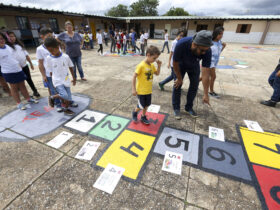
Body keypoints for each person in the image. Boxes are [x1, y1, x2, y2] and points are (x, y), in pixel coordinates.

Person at [172, 30, 213, 119]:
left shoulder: (207, 50)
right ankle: (176, 108)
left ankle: (188, 107)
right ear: (194, 44)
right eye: (202, 50)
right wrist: (179, 79)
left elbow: (206, 73)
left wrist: (206, 94)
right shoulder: (181, 44)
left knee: (194, 86)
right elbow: (175, 63)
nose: (204, 53)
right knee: (177, 85)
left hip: (194, 66)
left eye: (206, 50)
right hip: (180, 65)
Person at [0, 32, 38, 110]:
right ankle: (19, 104)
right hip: (9, 72)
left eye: (2, 38)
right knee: (14, 88)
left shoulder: (7, 47)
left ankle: (28, 99)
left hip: (18, 69)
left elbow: (14, 57)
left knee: (22, 86)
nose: (1, 40)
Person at [44, 37, 78, 116]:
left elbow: (71, 67)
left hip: (66, 79)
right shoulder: (49, 58)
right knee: (64, 95)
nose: (51, 52)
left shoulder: (65, 56)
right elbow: (51, 72)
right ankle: (52, 97)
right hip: (57, 81)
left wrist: (74, 78)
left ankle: (66, 109)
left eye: (52, 50)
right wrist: (53, 83)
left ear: (57, 47)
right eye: (49, 51)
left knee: (68, 98)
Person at [132, 45, 162, 124]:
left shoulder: (152, 65)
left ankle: (143, 116)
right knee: (141, 105)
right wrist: (133, 89)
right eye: (154, 58)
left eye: (156, 58)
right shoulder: (141, 65)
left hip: (148, 90)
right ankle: (135, 112)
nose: (155, 60)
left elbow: (157, 73)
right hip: (141, 91)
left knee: (146, 105)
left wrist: (159, 66)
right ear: (148, 55)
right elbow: (134, 76)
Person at [7, 31, 41, 98]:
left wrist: (30, 64)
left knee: (29, 79)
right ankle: (25, 94)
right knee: (21, 82)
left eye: (13, 36)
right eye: (10, 36)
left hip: (24, 66)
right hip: (16, 68)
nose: (12, 38)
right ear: (7, 38)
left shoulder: (19, 45)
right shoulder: (7, 47)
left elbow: (26, 55)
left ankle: (35, 91)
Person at [36, 28, 63, 112]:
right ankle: (58, 104)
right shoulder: (40, 49)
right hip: (49, 74)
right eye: (48, 36)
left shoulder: (57, 46)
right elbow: (40, 64)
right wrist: (44, 75)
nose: (51, 38)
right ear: (42, 37)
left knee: (63, 87)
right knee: (53, 89)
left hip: (59, 72)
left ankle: (67, 100)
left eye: (52, 36)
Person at [208, 26, 226, 98]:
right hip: (210, 61)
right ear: (216, 34)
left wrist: (223, 47)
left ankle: (195, 83)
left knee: (205, 76)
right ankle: (211, 92)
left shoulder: (219, 42)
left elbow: (219, 52)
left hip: (215, 62)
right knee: (213, 76)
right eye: (220, 34)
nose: (221, 36)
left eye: (222, 34)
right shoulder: (210, 42)